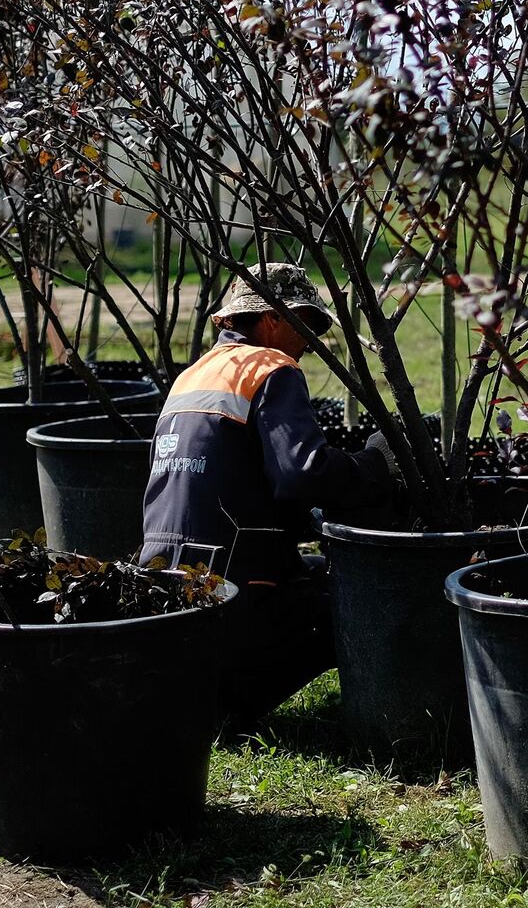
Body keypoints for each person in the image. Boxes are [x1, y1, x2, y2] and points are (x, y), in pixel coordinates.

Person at [138, 263, 398, 730]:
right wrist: (373, 466)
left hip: (169, 593)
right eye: (308, 323)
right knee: (364, 600)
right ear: (274, 317)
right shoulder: (270, 368)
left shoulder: (191, 376)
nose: (312, 340)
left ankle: (209, 695)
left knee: (317, 573)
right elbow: (302, 474)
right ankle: (229, 709)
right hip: (235, 594)